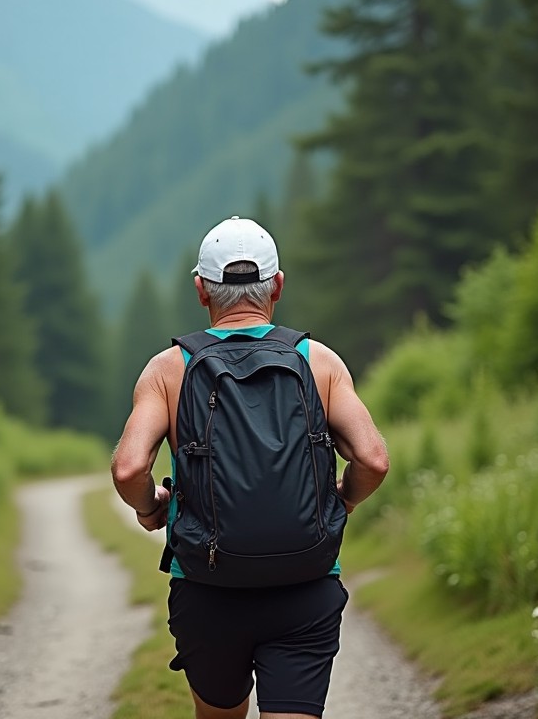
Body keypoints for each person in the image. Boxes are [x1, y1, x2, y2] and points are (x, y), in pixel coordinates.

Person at [111, 216, 390, 719]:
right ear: (277, 285)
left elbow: (130, 468)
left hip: (207, 590)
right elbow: (372, 458)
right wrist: (342, 500)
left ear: (202, 290)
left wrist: (153, 508)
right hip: (306, 584)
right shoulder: (319, 362)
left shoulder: (169, 369)